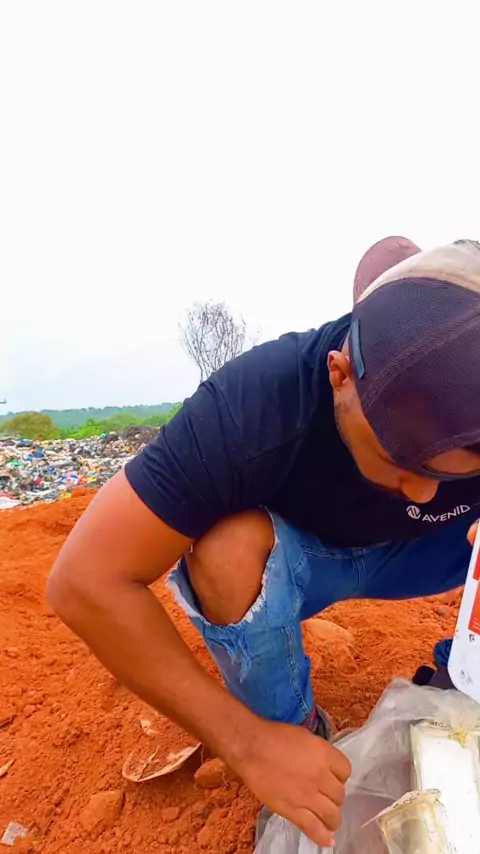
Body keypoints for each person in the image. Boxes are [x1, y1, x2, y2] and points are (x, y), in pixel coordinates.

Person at [47, 236, 480, 849]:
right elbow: (84, 579)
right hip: (310, 560)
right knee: (225, 550)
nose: (422, 492)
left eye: (449, 469)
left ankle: (459, 689)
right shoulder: (253, 408)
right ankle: (295, 734)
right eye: (397, 461)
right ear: (340, 375)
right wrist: (247, 744)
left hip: (440, 551)